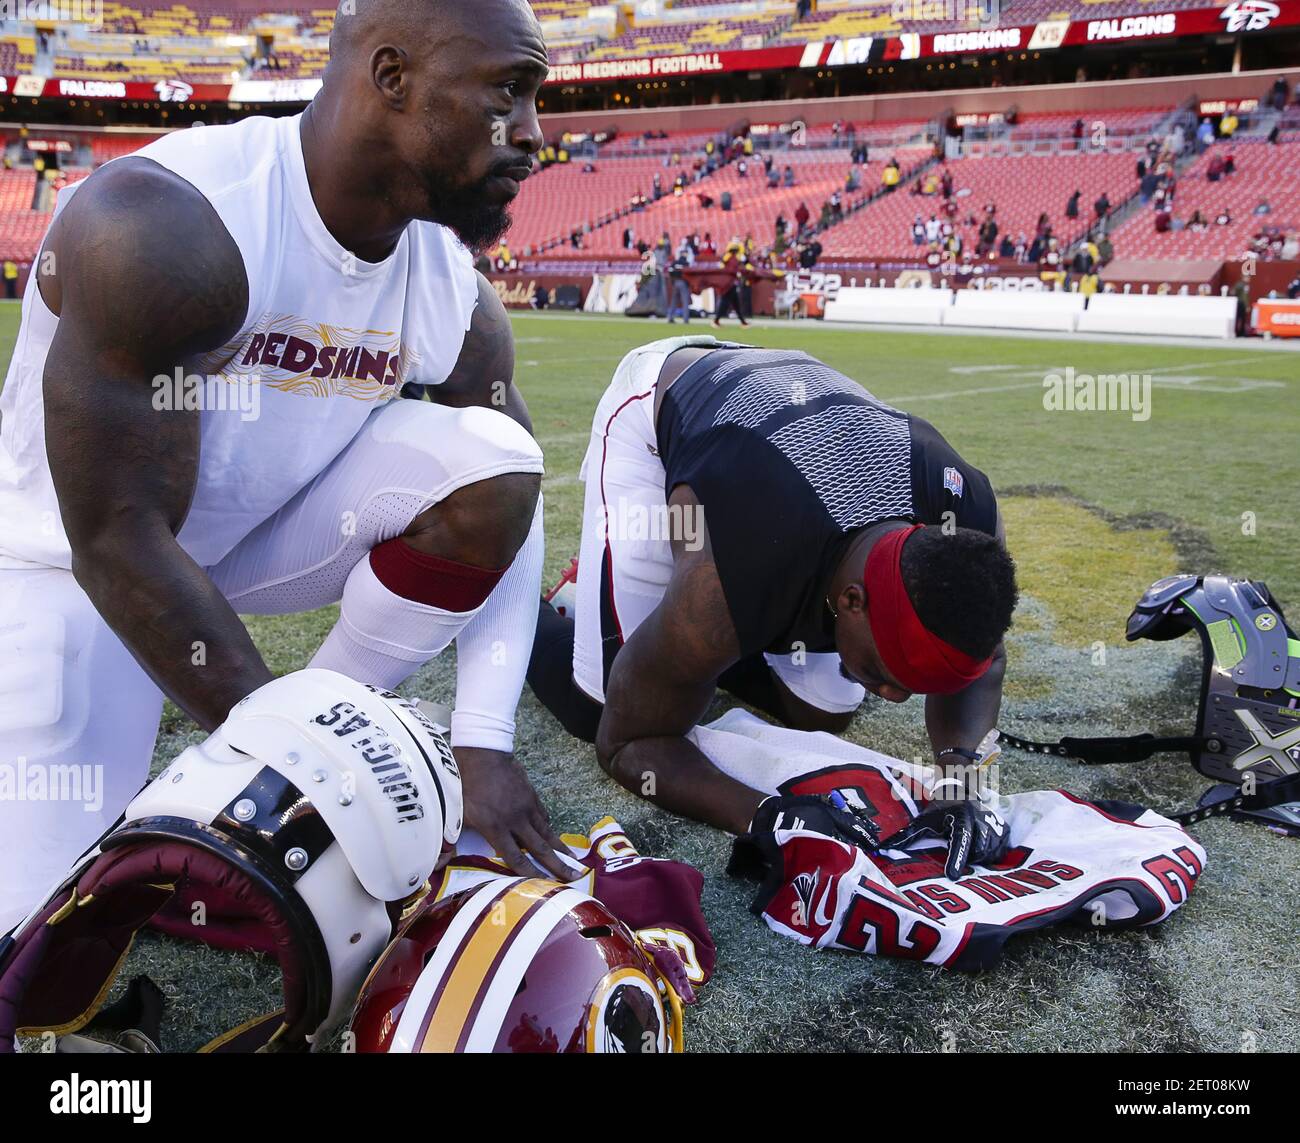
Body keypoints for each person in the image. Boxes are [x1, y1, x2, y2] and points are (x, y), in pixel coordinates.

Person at [0, 0, 577, 932]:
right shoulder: (165, 222)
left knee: (495, 456)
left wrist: (482, 743)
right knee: (45, 935)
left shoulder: (451, 294)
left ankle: (324, 712)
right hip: (68, 561)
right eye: (508, 92)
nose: (532, 133)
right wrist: (301, 759)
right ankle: (285, 746)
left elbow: (509, 494)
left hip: (257, 541)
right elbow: (112, 537)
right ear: (392, 78)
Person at [525, 338, 1018, 838]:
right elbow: (628, 744)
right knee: (603, 705)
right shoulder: (730, 573)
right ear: (851, 599)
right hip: (665, 407)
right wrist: (768, 815)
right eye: (886, 673)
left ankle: (680, 651)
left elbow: (986, 656)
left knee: (822, 711)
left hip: (788, 411)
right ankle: (526, 606)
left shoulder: (968, 518)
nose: (892, 698)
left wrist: (962, 780)